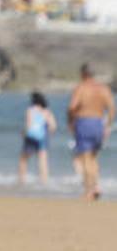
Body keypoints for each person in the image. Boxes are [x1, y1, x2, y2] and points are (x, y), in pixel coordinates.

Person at [67, 63, 114, 201]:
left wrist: (70, 121)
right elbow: (111, 109)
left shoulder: (81, 88)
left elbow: (72, 107)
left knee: (85, 158)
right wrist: (108, 125)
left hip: (84, 122)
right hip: (99, 123)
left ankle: (89, 191)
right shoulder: (104, 89)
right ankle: (96, 187)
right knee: (94, 157)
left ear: (83, 74)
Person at [18, 91, 57, 187]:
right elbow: (53, 126)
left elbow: (29, 124)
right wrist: (48, 134)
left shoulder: (31, 110)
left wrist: (23, 133)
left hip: (31, 136)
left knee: (23, 159)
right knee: (43, 161)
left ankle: (21, 180)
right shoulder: (47, 111)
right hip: (42, 137)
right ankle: (44, 181)